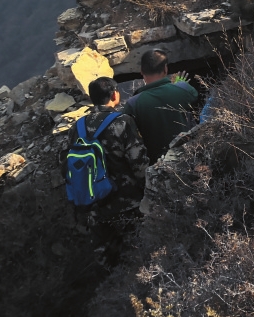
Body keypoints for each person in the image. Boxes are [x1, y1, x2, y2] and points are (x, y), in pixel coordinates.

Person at [63, 77, 148, 260]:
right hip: (127, 203)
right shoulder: (123, 121)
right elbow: (139, 163)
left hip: (93, 203)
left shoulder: (77, 127)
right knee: (139, 251)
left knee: (109, 257)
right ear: (114, 95)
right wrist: (149, 189)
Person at [122, 49, 199, 161]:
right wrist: (179, 84)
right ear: (165, 69)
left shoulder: (133, 104)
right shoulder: (184, 89)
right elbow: (195, 99)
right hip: (188, 157)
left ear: (142, 71)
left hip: (156, 164)